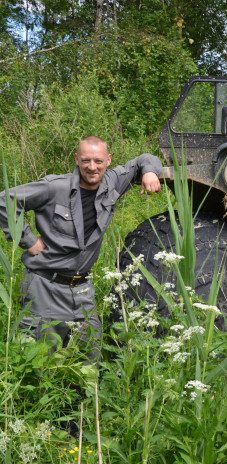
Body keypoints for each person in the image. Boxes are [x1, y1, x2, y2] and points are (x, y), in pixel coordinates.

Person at [0, 135, 162, 363]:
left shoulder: (112, 182)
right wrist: (28, 240)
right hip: (45, 287)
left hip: (82, 291)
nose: (92, 167)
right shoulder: (55, 187)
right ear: (77, 159)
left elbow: (145, 159)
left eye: (98, 161)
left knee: (88, 363)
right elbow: (5, 200)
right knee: (41, 365)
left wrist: (149, 172)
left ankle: (84, 400)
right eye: (86, 160)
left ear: (108, 160)